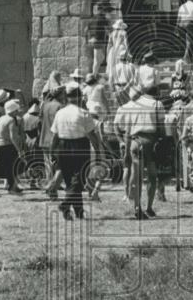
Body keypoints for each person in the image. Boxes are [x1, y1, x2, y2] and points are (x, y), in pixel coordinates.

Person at [50, 83, 102, 220]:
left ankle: (77, 212)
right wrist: (98, 150)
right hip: (79, 146)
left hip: (62, 146)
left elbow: (54, 135)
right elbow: (92, 135)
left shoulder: (60, 113)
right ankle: (65, 205)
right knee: (79, 180)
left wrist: (52, 151)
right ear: (79, 98)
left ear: (67, 98)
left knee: (69, 181)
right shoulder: (84, 113)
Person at [116, 86, 164, 219]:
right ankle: (149, 207)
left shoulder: (132, 105)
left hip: (134, 141)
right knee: (152, 176)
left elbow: (126, 129)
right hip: (150, 141)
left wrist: (126, 149)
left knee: (137, 177)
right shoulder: (157, 104)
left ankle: (137, 207)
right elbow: (161, 126)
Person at [0, 99, 23, 200]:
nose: (17, 112)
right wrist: (19, 150)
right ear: (13, 111)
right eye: (16, 110)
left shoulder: (1, 119)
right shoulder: (11, 120)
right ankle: (13, 188)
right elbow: (13, 137)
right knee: (14, 168)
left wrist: (0, 136)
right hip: (7, 147)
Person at [39, 86, 64, 200]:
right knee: (59, 166)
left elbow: (40, 121)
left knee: (48, 165)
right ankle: (52, 189)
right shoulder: (59, 106)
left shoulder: (44, 105)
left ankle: (50, 187)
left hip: (44, 139)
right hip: (56, 139)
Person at [88, 2, 110, 76]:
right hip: (98, 40)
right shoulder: (102, 18)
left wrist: (91, 38)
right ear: (101, 10)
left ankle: (95, 73)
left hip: (92, 40)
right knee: (97, 60)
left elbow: (87, 29)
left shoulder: (92, 18)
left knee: (101, 58)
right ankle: (94, 75)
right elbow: (108, 29)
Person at [106, 20, 130, 87]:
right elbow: (126, 43)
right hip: (120, 49)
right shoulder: (123, 32)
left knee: (112, 66)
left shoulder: (112, 33)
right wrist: (128, 51)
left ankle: (111, 84)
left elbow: (109, 44)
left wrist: (107, 53)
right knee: (120, 65)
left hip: (113, 50)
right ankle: (119, 81)